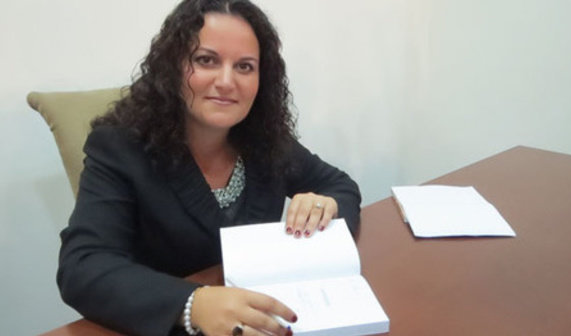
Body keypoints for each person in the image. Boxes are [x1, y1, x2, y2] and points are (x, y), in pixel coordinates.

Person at [56, 0, 361, 335]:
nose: (227, 81)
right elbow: (83, 267)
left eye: (245, 67)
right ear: (172, 68)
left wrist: (324, 204)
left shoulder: (265, 139)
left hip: (271, 320)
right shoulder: (119, 147)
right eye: (206, 60)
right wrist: (192, 304)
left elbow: (340, 186)